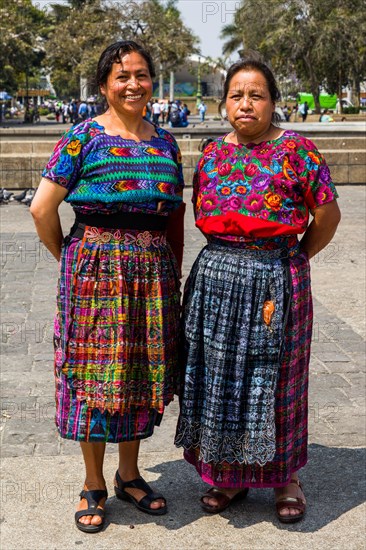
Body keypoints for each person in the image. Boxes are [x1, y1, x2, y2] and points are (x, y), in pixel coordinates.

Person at [175, 57, 340, 524]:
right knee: (220, 375)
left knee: (279, 378)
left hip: (277, 277)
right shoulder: (211, 154)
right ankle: (229, 474)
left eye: (257, 95)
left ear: (272, 102)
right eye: (237, 95)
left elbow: (326, 217)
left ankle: (286, 477)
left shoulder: (297, 151)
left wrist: (292, 260)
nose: (246, 104)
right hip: (217, 278)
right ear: (224, 102)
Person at [30, 40, 185, 533]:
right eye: (122, 76)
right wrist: (72, 259)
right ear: (104, 85)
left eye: (141, 75)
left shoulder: (165, 142)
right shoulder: (82, 138)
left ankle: (130, 474)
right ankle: (94, 481)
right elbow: (41, 208)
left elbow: (174, 215)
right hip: (95, 270)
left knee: (139, 370)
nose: (133, 84)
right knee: (93, 373)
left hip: (152, 273)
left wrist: (171, 272)